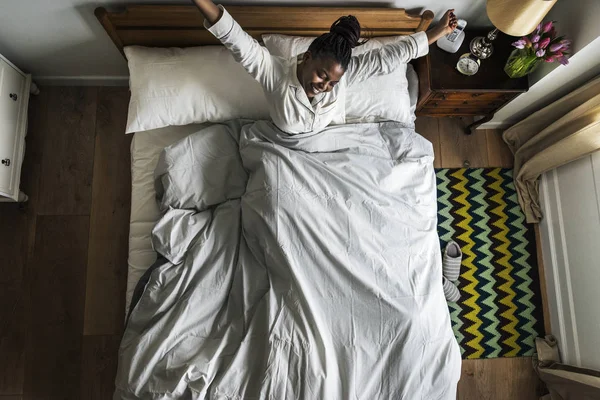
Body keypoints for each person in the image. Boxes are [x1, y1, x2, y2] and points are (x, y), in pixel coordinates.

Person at [193, 0, 457, 134]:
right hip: (286, 149)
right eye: (322, 75)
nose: (324, 87)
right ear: (307, 58)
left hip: (333, 146)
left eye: (332, 82)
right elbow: (234, 37)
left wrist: (438, 32)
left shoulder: (344, 76)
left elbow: (389, 57)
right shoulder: (273, 74)